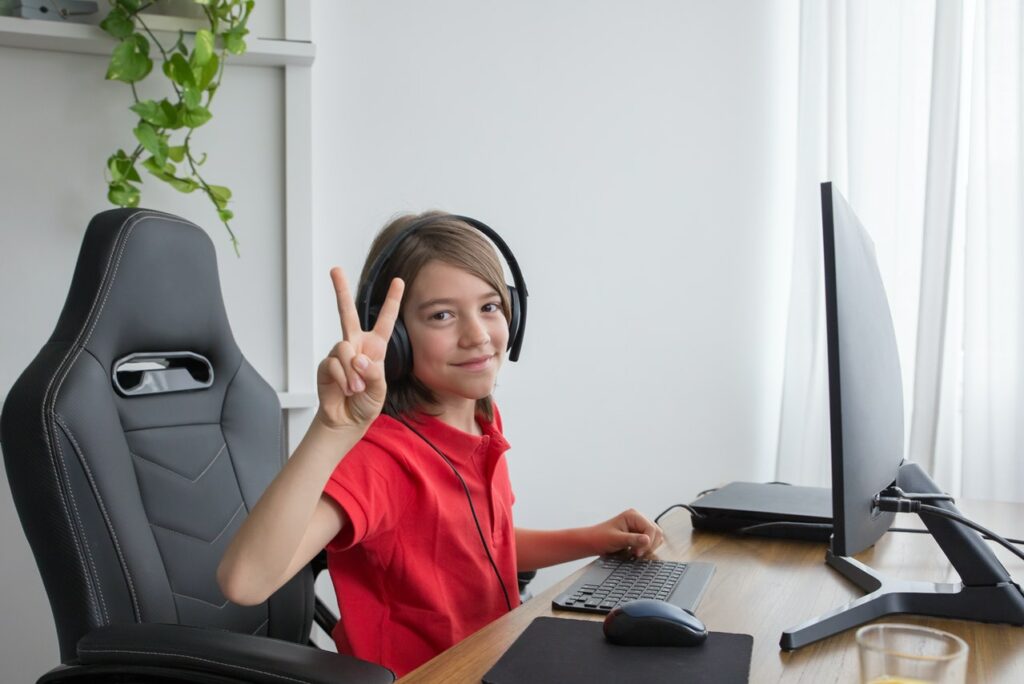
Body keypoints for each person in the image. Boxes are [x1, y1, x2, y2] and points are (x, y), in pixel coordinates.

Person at [217, 212, 665, 676]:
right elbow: (245, 582)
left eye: (490, 307)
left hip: (494, 660)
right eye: (442, 315)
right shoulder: (380, 458)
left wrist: (595, 538)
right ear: (398, 340)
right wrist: (332, 429)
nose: (477, 336)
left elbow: (483, 547)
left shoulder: (481, 421)